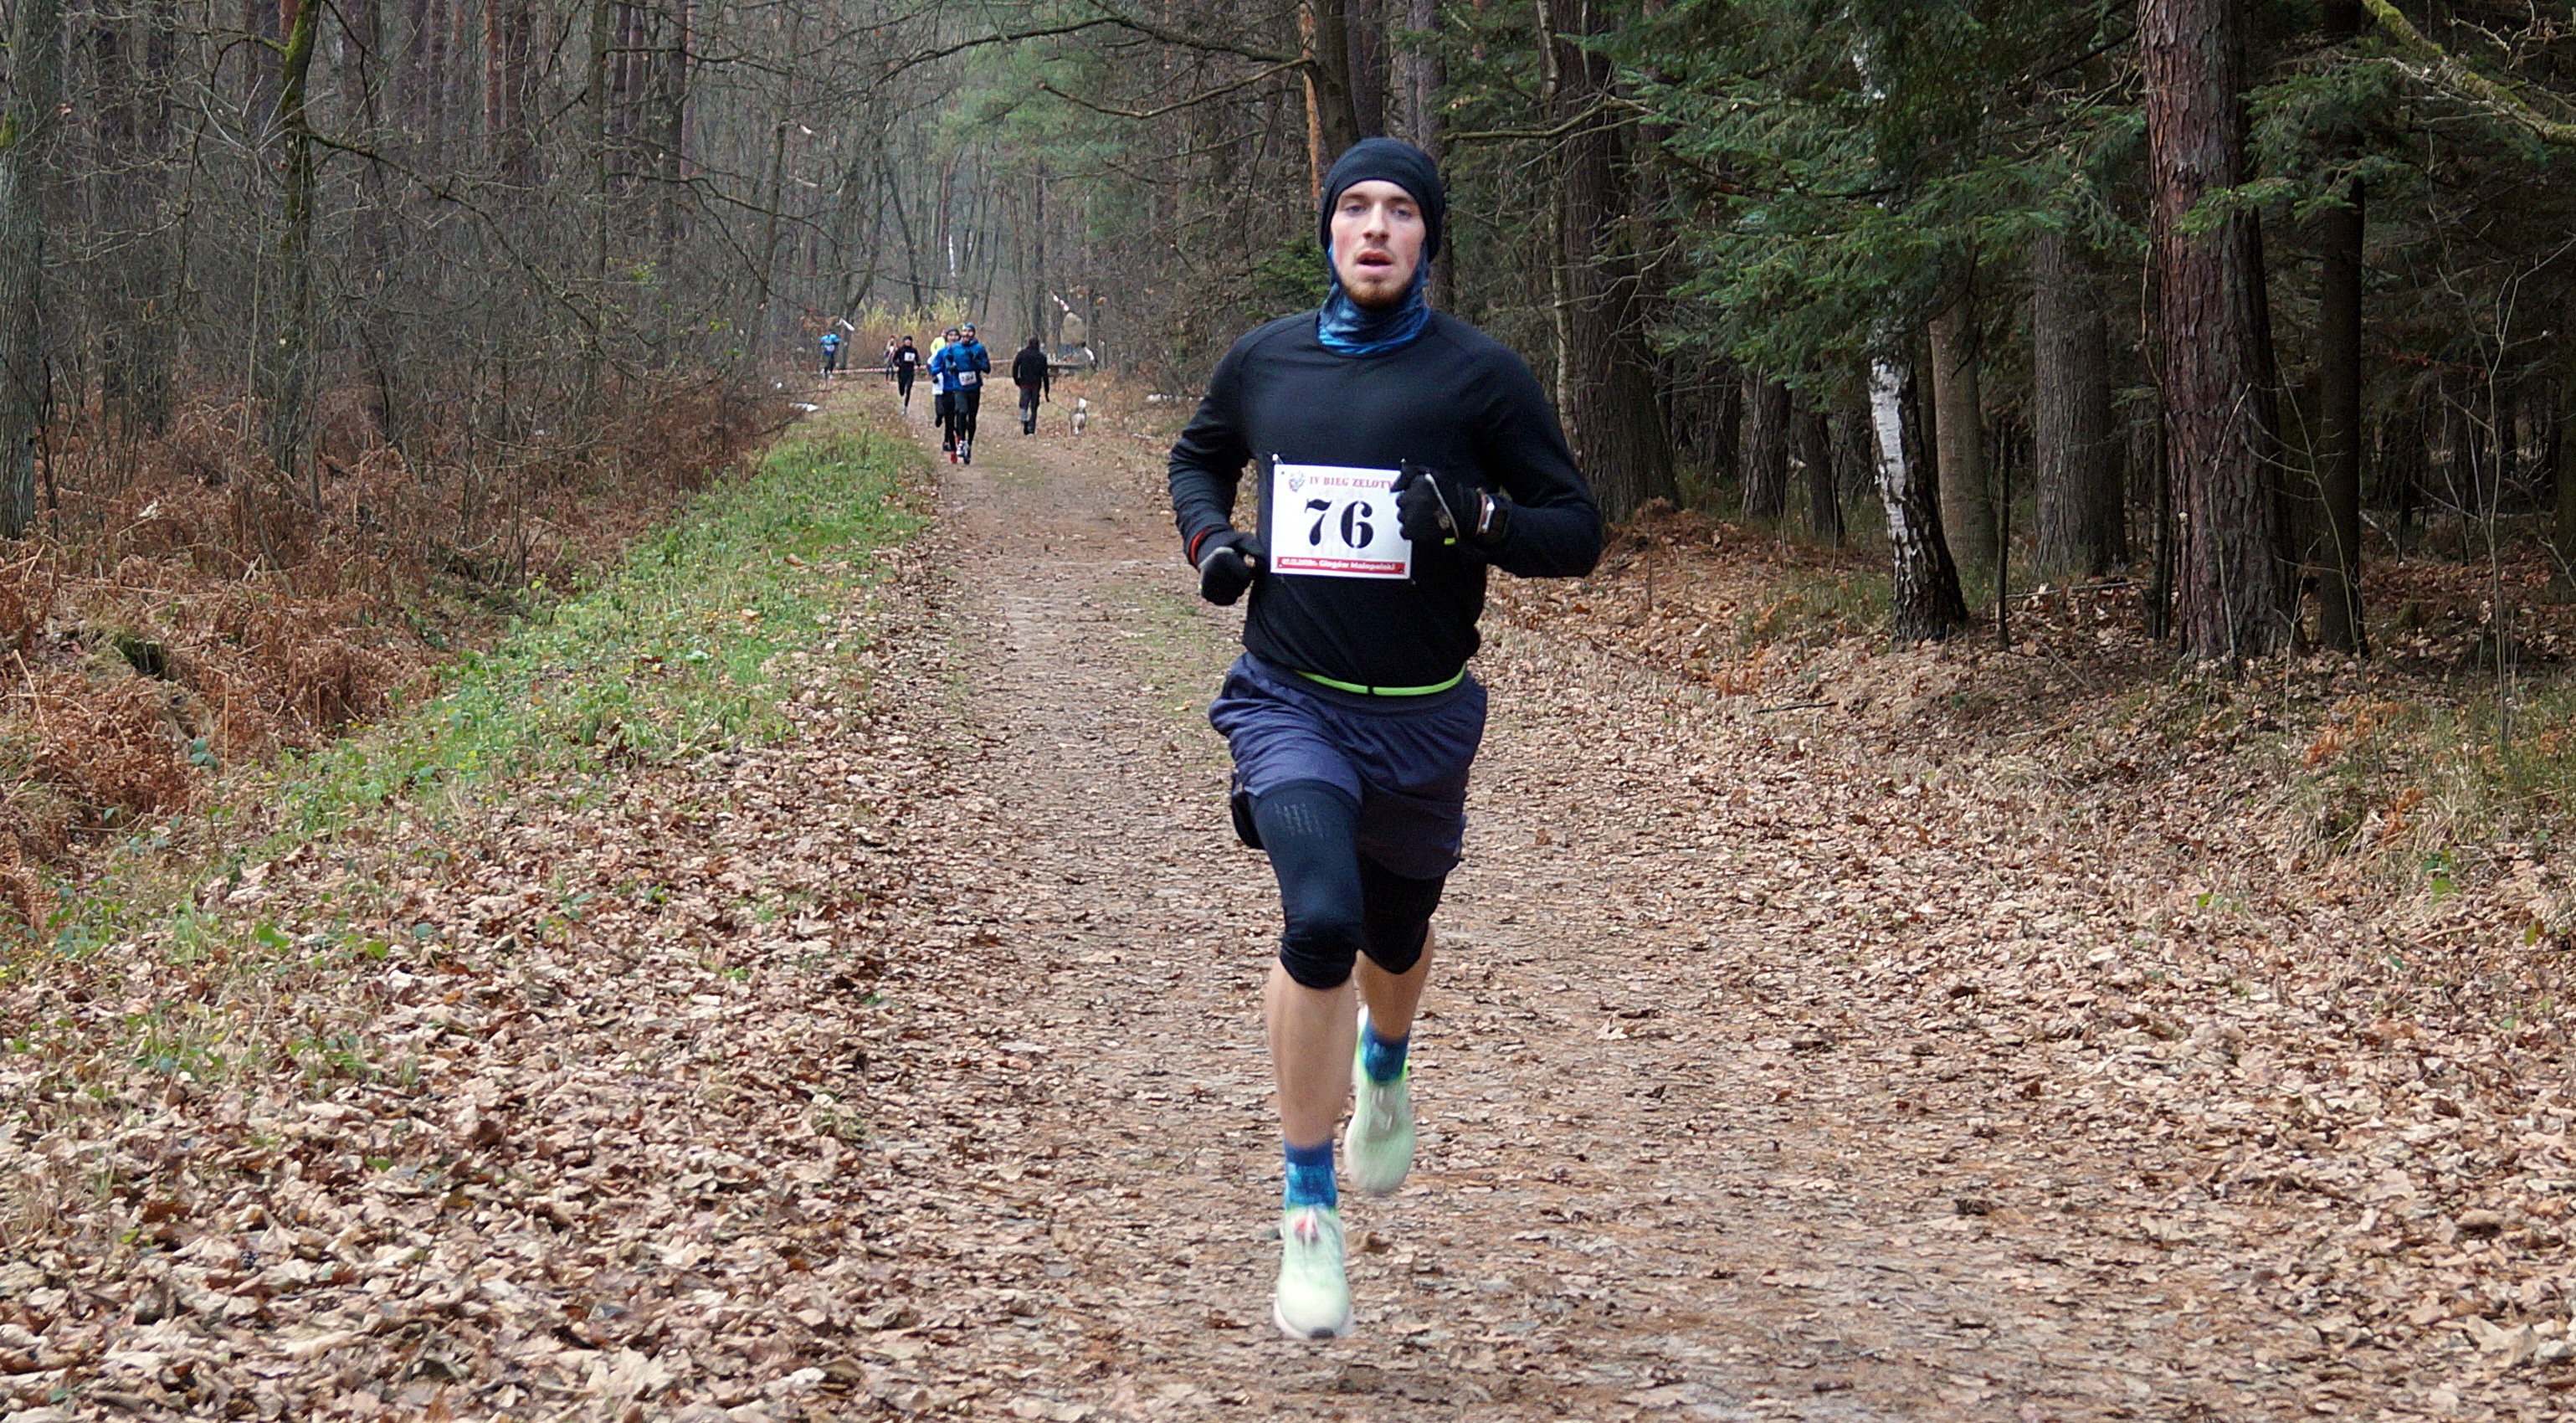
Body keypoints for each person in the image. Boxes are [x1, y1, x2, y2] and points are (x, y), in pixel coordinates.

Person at [1166, 138, 1602, 1342]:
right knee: (1320, 921)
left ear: (1426, 239)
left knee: (1397, 932)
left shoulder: (1482, 378)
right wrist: (1212, 543)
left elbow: (1576, 532)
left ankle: (1387, 1067)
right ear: (1325, 230)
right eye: (1351, 207)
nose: (1371, 227)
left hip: (1421, 717)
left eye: (1397, 210)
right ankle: (1308, 1213)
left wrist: (1476, 517)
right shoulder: (1265, 360)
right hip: (1288, 698)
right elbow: (1198, 456)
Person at [931, 322, 992, 464]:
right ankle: (962, 442)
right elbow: (947, 358)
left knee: (972, 417)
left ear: (974, 334)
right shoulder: (955, 347)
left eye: (969, 332)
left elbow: (987, 368)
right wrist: (949, 367)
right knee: (961, 411)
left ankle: (969, 444)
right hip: (959, 386)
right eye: (964, 331)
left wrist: (975, 360)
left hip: (974, 387)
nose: (966, 334)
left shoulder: (979, 348)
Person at [1012, 335, 1051, 435]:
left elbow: (1015, 368)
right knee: (1034, 407)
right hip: (1035, 385)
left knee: (1023, 404)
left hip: (1024, 384)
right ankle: (1031, 429)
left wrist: (1017, 380)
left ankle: (1024, 420)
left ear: (1028, 344)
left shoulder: (1022, 354)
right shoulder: (1042, 357)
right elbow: (1045, 376)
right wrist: (1047, 392)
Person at [928, 327, 959, 451]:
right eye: (951, 335)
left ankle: (960, 436)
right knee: (949, 418)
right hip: (947, 389)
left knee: (962, 416)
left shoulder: (963, 351)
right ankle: (950, 444)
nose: (953, 337)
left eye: (956, 335)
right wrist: (942, 367)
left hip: (962, 389)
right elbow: (933, 369)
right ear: (947, 338)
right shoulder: (941, 353)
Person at [890, 336, 921, 411]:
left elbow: (917, 359)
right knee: (902, 389)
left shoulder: (914, 350)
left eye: (909, 341)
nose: (908, 342)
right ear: (904, 342)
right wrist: (896, 365)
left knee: (909, 389)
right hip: (902, 371)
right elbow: (894, 359)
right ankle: (901, 390)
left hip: (910, 371)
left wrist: (918, 364)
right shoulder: (900, 350)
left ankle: (905, 406)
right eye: (907, 341)